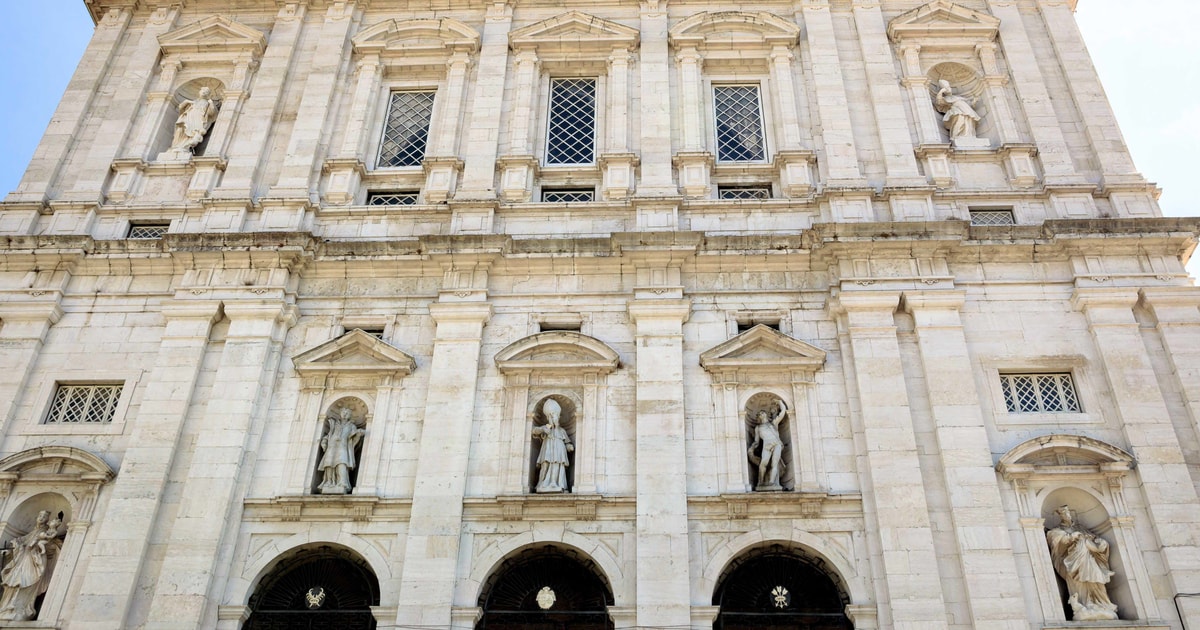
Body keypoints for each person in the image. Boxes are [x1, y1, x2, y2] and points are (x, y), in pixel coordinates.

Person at [1046, 505, 1119, 621]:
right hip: (1073, 564)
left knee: (1096, 580)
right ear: (1060, 515)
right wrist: (1072, 537)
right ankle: (1083, 605)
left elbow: (1095, 539)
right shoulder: (1056, 531)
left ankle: (1102, 604)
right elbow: (1056, 543)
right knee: (1079, 584)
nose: (1067, 515)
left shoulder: (1081, 528)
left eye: (1068, 512)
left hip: (1090, 561)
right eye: (1064, 513)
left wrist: (1101, 543)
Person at [0, 510, 63, 621]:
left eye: (44, 516)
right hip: (22, 560)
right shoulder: (35, 531)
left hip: (34, 560)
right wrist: (15, 544)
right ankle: (7, 607)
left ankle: (20, 608)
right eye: (40, 515)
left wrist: (36, 546)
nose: (41, 518)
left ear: (48, 520)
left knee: (26, 581)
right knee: (13, 583)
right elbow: (22, 540)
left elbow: (50, 545)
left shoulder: (46, 531)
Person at [317, 408, 365, 494]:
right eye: (343, 412)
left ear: (350, 416)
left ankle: (342, 483)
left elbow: (354, 440)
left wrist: (358, 435)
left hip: (343, 447)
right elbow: (329, 435)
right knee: (328, 464)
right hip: (332, 447)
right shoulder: (335, 424)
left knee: (342, 463)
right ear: (340, 413)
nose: (345, 414)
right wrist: (324, 442)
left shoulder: (352, 426)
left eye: (347, 413)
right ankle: (329, 482)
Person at [532, 399, 573, 493]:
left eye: (557, 416)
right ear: (549, 417)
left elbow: (567, 441)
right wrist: (543, 430)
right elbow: (534, 431)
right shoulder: (546, 428)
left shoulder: (562, 430)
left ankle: (557, 483)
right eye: (553, 416)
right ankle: (542, 484)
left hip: (559, 450)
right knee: (545, 464)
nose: (556, 418)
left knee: (557, 465)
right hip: (547, 450)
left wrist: (569, 446)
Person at [747, 401, 788, 491]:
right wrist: (752, 448)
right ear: (759, 417)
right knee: (763, 463)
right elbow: (756, 441)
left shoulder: (773, 423)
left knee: (774, 464)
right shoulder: (758, 428)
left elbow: (782, 413)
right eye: (760, 413)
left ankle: (772, 482)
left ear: (765, 414)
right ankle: (760, 482)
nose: (762, 414)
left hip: (777, 444)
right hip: (766, 445)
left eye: (763, 412)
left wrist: (780, 403)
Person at [167, 86, 220, 154]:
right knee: (180, 129)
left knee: (193, 133)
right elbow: (181, 108)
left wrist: (211, 104)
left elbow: (212, 113)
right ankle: (176, 146)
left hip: (198, 120)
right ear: (199, 92)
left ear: (208, 94)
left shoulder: (208, 103)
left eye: (206, 92)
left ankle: (184, 147)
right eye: (202, 90)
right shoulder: (194, 101)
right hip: (188, 117)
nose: (204, 92)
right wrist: (187, 102)